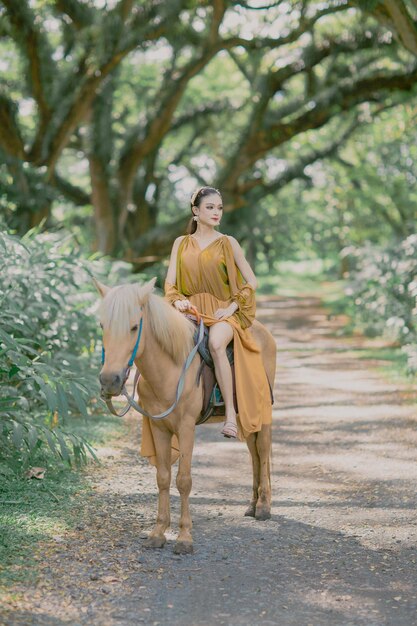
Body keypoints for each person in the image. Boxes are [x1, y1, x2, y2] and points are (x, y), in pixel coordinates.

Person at [165, 186, 272, 441]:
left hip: (222, 311)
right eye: (210, 207)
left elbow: (252, 281)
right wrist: (177, 301)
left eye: (219, 207)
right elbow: (170, 282)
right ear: (195, 211)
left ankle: (231, 416)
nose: (216, 212)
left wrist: (232, 307)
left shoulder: (228, 242)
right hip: (189, 309)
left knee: (215, 342)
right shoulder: (180, 243)